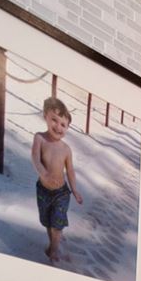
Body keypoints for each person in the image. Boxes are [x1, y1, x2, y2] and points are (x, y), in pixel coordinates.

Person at [30, 96, 82, 262]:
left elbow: (71, 171)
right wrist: (43, 173)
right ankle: (54, 240)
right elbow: (35, 158)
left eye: (63, 124)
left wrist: (74, 190)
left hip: (61, 193)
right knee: (47, 221)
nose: (58, 127)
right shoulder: (40, 138)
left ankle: (53, 249)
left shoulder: (66, 149)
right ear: (45, 116)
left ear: (67, 128)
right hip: (43, 191)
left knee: (57, 223)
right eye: (54, 120)